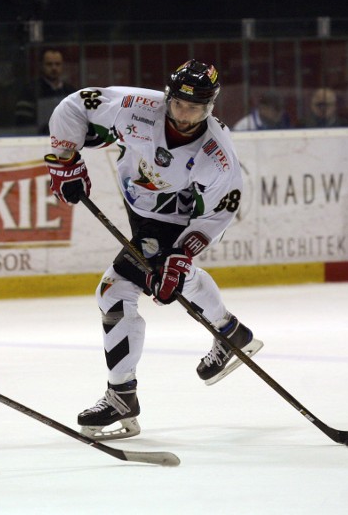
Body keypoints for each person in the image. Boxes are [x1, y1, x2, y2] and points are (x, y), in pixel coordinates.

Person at [44, 59, 264, 440]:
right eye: (179, 103)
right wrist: (66, 161)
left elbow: (220, 211)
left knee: (115, 290)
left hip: (178, 217)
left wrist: (181, 255)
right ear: (168, 96)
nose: (184, 114)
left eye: (196, 107)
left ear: (211, 107)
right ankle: (230, 332)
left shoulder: (217, 155)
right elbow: (75, 105)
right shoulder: (137, 106)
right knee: (168, 278)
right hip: (139, 206)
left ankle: (121, 396)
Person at [15, 48, 77, 134]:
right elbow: (23, 123)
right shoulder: (30, 91)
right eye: (49, 64)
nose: (54, 68)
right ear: (41, 66)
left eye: (57, 64)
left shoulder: (71, 92)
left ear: (62, 66)